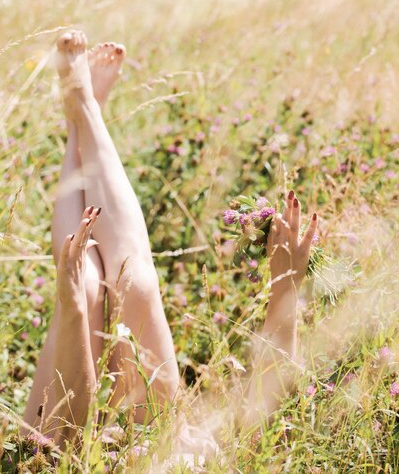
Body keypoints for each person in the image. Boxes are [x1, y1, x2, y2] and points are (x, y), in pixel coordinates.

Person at [22, 30, 318, 451]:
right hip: (161, 448)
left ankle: (80, 122)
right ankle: (85, 111)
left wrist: (69, 306)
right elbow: (262, 417)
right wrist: (285, 282)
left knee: (85, 288)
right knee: (134, 285)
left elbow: (64, 443)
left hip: (53, 449)